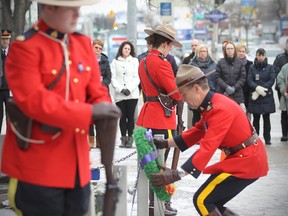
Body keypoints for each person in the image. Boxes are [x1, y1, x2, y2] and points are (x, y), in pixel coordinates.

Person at [0, 2, 121, 216]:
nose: (77, 13)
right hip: (39, 169)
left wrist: (104, 106)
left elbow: (96, 89)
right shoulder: (24, 47)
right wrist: (89, 113)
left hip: (78, 168)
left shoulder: (82, 44)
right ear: (49, 8)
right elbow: (35, 102)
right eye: (69, 7)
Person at [150, 64, 269, 216]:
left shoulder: (219, 109)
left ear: (196, 89)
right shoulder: (213, 104)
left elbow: (208, 146)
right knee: (213, 202)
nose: (184, 101)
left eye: (184, 95)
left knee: (202, 200)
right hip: (244, 159)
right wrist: (166, 143)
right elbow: (197, 131)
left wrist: (175, 175)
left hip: (247, 161)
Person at [136, 24, 183, 216]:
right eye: (170, 45)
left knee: (150, 164)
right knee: (159, 166)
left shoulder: (143, 61)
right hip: (161, 120)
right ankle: (159, 204)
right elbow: (175, 94)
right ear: (164, 44)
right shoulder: (163, 63)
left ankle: (153, 203)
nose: (170, 49)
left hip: (147, 114)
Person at [111, 41, 140, 148]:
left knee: (131, 117)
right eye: (125, 48)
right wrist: (121, 89)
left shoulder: (135, 61)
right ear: (121, 49)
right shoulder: (114, 62)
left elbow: (137, 77)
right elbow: (113, 78)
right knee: (122, 117)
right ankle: (123, 139)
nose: (127, 50)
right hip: (120, 94)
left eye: (129, 49)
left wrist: (130, 89)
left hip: (132, 94)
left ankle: (130, 138)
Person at [247, 48, 276, 145]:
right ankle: (256, 138)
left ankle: (267, 138)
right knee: (256, 119)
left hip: (266, 96)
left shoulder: (270, 67)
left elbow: (272, 80)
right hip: (255, 96)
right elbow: (249, 80)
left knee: (266, 119)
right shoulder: (252, 67)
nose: (260, 57)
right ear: (256, 55)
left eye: (262, 55)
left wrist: (262, 89)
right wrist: (257, 88)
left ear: (265, 56)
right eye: (259, 55)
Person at [89, 38, 111, 148]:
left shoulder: (105, 61)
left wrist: (101, 84)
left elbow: (108, 77)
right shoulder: (86, 59)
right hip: (89, 93)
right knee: (90, 117)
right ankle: (90, 140)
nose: (98, 50)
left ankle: (99, 140)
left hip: (102, 92)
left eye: (100, 48)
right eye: (96, 47)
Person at [189, 43, 217, 126]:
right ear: (197, 53)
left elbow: (217, 79)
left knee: (210, 118)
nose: (202, 53)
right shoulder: (192, 65)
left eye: (204, 51)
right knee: (197, 119)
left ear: (207, 52)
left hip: (210, 93)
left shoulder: (214, 65)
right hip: (196, 95)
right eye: (201, 51)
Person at [215, 41, 246, 109]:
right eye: (228, 49)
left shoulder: (240, 62)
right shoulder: (220, 62)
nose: (230, 50)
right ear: (225, 51)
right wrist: (226, 87)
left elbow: (243, 78)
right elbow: (217, 77)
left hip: (237, 94)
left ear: (234, 50)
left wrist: (234, 87)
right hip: (224, 93)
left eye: (231, 48)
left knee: (240, 115)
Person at [273, 39, 288, 141]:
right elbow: (275, 70)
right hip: (282, 89)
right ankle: (284, 134)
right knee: (284, 111)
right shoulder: (280, 57)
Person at [236, 43, 253, 114]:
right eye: (239, 51)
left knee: (248, 116)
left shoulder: (250, 64)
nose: (241, 53)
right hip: (236, 92)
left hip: (247, 92)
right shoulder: (232, 64)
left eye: (243, 51)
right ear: (236, 52)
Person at [0, 29, 12, 134]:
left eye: (6, 39)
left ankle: (10, 135)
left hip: (9, 89)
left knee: (11, 114)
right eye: (3, 39)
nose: (4, 42)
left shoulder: (13, 53)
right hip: (0, 88)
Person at [277, 63, 288, 139]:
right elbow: (280, 80)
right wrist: (284, 91)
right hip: (286, 97)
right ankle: (285, 134)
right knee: (284, 116)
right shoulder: (285, 67)